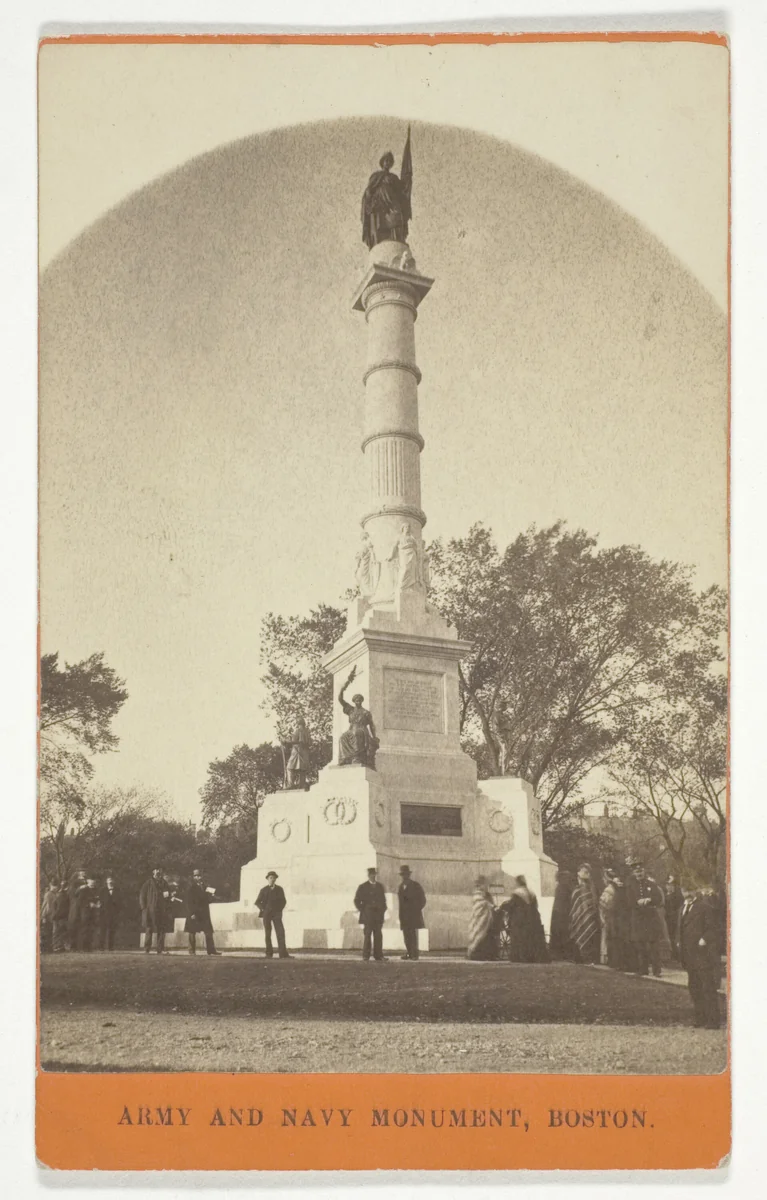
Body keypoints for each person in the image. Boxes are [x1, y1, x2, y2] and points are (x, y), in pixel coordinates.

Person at [678, 881, 723, 1028]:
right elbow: (679, 928)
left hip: (703, 955)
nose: (688, 894)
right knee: (694, 987)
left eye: (690, 891)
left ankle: (713, 1021)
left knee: (707, 987)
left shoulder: (705, 908)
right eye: (685, 891)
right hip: (689, 955)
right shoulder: (682, 908)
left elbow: (713, 928)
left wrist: (704, 939)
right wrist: (678, 942)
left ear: (696, 891)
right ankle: (700, 1018)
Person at [626, 859, 665, 976]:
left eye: (641, 871)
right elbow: (629, 902)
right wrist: (638, 902)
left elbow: (658, 899)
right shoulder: (630, 886)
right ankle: (643, 970)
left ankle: (657, 970)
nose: (639, 874)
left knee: (654, 945)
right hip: (638, 919)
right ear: (634, 873)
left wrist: (650, 899)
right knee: (640, 945)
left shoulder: (652, 884)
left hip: (651, 918)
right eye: (637, 872)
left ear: (644, 871)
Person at [338, 666, 378, 767]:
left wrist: (374, 736)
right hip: (351, 729)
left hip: (361, 730)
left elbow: (371, 725)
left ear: (361, 701)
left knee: (356, 734)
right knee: (342, 737)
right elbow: (340, 698)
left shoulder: (365, 712)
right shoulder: (350, 709)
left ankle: (356, 757)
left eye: (359, 700)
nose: (358, 702)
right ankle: (345, 758)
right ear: (354, 701)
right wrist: (344, 686)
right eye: (356, 700)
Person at [503, 875, 549, 963]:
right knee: (532, 937)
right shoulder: (531, 892)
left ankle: (520, 957)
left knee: (519, 935)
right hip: (533, 917)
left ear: (518, 883)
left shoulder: (517, 893)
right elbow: (536, 905)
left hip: (520, 918)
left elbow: (512, 905)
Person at [569, 864, 601, 964]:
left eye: (587, 872)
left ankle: (590, 958)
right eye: (583, 871)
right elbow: (575, 905)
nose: (586, 873)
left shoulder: (593, 888)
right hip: (580, 917)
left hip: (591, 916)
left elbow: (595, 902)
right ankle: (581, 957)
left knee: (591, 935)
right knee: (580, 932)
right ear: (578, 873)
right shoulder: (576, 889)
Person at [354, 867, 388, 961]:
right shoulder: (363, 887)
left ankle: (379, 955)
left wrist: (382, 910)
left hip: (378, 916)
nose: (373, 876)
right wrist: (363, 910)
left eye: (374, 874)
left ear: (375, 875)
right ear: (368, 875)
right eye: (371, 874)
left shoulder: (380, 886)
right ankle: (366, 955)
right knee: (367, 935)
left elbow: (384, 901)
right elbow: (357, 900)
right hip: (368, 916)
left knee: (378, 935)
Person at [185, 868, 221, 956]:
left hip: (204, 912)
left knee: (208, 931)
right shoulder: (191, 887)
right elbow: (189, 901)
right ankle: (191, 950)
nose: (198, 877)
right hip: (195, 912)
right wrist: (192, 913)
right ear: (193, 877)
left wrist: (212, 896)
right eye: (196, 876)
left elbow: (207, 899)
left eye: (199, 875)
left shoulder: (204, 886)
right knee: (192, 931)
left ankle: (211, 950)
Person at [256, 871, 291, 959]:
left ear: (276, 879)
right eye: (270, 878)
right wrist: (263, 909)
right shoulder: (263, 890)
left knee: (280, 932)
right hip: (267, 914)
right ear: (267, 879)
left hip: (276, 914)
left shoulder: (280, 889)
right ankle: (269, 953)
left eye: (273, 877)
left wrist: (279, 910)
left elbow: (283, 901)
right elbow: (257, 902)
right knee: (268, 933)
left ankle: (283, 954)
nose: (272, 879)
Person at [599, 869, 629, 969]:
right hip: (614, 916)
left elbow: (605, 904)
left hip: (612, 916)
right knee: (612, 938)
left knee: (612, 938)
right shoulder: (617, 890)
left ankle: (612, 960)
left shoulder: (610, 889)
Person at [397, 865, 426, 960]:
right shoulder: (401, 887)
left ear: (409, 875)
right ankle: (409, 953)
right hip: (404, 916)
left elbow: (423, 900)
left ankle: (414, 954)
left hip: (413, 915)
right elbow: (400, 903)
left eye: (406, 874)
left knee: (413, 935)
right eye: (402, 875)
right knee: (406, 935)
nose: (404, 877)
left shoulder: (415, 885)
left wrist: (416, 909)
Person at [139, 867, 170, 954]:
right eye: (156, 870)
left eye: (159, 870)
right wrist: (144, 908)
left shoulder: (164, 883)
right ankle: (147, 948)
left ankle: (160, 949)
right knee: (149, 929)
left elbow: (167, 895)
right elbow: (142, 895)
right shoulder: (148, 883)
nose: (158, 872)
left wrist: (167, 904)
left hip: (161, 910)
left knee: (161, 929)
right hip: (150, 910)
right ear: (153, 872)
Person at [467, 876, 497, 961]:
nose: (485, 886)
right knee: (480, 935)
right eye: (484, 884)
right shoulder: (478, 894)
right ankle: (478, 954)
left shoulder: (486, 894)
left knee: (486, 936)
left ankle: (487, 954)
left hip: (485, 919)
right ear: (480, 885)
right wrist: (491, 905)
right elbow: (481, 903)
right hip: (480, 919)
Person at [548, 869, 575, 960]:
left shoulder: (560, 887)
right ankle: (564, 954)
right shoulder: (567, 887)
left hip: (557, 913)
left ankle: (557, 954)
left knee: (558, 933)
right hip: (563, 913)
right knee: (564, 934)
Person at [73, 876, 102, 950]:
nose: (93, 883)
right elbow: (79, 901)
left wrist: (98, 902)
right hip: (85, 913)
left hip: (93, 912)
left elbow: (97, 898)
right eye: (91, 882)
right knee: (85, 929)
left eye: (94, 882)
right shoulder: (84, 890)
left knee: (91, 929)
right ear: (88, 882)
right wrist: (88, 904)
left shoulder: (96, 890)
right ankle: (84, 947)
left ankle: (89, 946)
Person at [285, 715, 312, 789]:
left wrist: (286, 741)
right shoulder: (307, 732)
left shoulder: (298, 731)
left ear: (298, 723)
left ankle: (290, 784)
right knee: (302, 769)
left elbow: (294, 741)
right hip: (305, 753)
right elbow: (309, 742)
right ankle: (302, 784)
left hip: (297, 752)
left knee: (289, 768)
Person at [66, 870, 87, 951]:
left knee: (83, 925)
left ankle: (82, 946)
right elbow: (72, 893)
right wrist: (80, 888)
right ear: (79, 874)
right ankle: (73, 946)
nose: (84, 874)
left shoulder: (87, 882)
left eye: (84, 873)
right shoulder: (74, 883)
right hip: (75, 907)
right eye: (82, 872)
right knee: (74, 925)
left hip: (83, 907)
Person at [99, 875, 121, 950]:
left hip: (113, 914)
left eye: (112, 880)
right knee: (103, 930)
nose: (110, 882)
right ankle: (101, 946)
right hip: (104, 913)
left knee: (112, 930)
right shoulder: (102, 890)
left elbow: (120, 902)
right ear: (106, 882)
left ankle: (110, 947)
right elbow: (100, 901)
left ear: (114, 882)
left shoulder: (118, 891)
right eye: (109, 880)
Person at [664, 875, 684, 958]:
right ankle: (671, 953)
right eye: (668, 885)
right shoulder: (665, 895)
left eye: (671, 885)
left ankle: (676, 954)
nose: (669, 887)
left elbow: (679, 907)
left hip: (675, 918)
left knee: (675, 935)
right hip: (667, 918)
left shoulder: (678, 896)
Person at [51, 882, 70, 953]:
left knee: (58, 932)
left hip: (57, 916)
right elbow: (61, 908)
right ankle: (57, 947)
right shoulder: (64, 895)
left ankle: (58, 947)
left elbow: (54, 905)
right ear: (66, 887)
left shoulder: (58, 894)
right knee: (59, 932)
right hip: (60, 917)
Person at [40, 882, 58, 953]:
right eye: (54, 886)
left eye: (56, 886)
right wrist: (44, 917)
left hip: (51, 916)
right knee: (46, 932)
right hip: (47, 916)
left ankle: (49, 948)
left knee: (50, 932)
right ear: (50, 886)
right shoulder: (48, 894)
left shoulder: (54, 894)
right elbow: (46, 906)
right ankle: (44, 949)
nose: (55, 887)